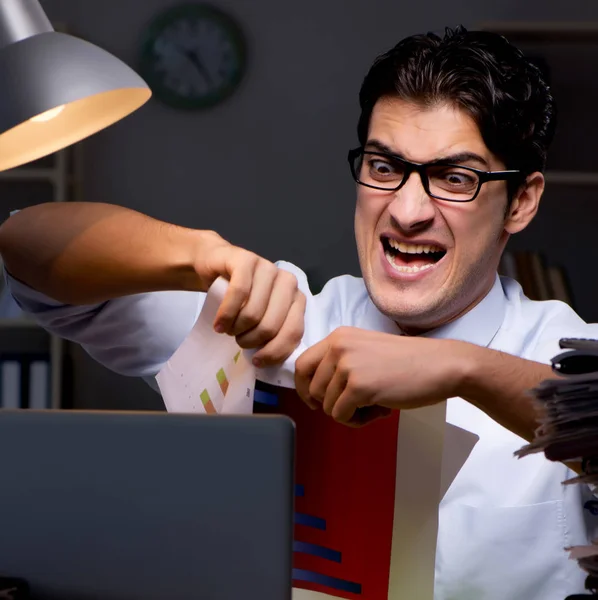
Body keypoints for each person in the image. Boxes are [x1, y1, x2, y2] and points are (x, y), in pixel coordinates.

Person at [0, 25, 595, 599]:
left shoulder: (565, 348)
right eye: (384, 168)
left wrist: (462, 368)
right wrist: (197, 253)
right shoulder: (275, 320)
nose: (408, 210)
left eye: (454, 178)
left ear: (521, 201)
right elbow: (25, 247)